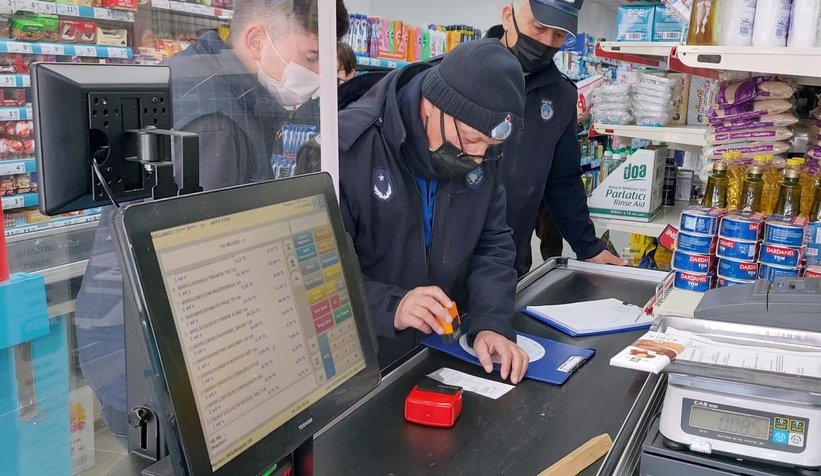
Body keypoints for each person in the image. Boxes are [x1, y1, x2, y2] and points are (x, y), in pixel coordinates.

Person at [74, 0, 350, 444]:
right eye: (311, 56)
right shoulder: (215, 121)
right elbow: (206, 278)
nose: (318, 75)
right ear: (257, 40)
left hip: (137, 343)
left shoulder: (218, 80)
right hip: (149, 361)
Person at [338, 39, 530, 383]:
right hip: (365, 367)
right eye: (471, 139)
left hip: (441, 355)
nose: (478, 158)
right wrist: (392, 305)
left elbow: (492, 244)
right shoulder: (351, 148)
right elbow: (322, 275)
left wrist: (490, 322)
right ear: (430, 105)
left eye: (490, 146)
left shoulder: (481, 150)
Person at [488, 0, 627, 276]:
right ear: (507, 17)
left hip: (509, 261)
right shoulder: (459, 75)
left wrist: (588, 246)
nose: (547, 42)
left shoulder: (561, 96)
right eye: (539, 28)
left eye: (559, 34)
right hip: (438, 265)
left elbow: (562, 180)